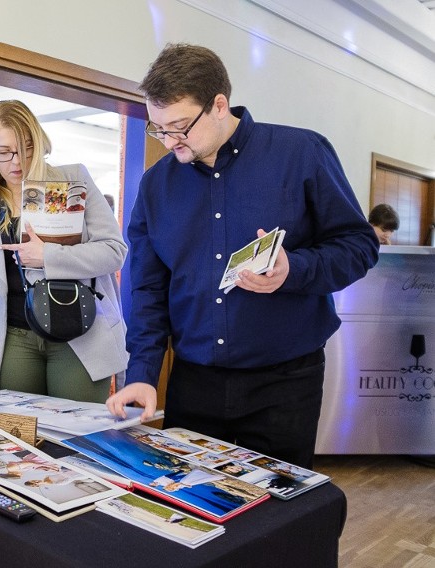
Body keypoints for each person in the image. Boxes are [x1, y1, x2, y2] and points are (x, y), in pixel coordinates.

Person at [106, 43, 379, 468]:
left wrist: (295, 268)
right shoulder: (156, 185)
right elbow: (146, 290)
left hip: (285, 382)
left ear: (219, 105)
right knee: (191, 510)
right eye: (157, 128)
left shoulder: (301, 153)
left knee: (278, 516)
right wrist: (142, 372)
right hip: (193, 383)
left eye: (179, 126)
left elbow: (359, 246)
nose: (169, 140)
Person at [0, 100, 128, 402]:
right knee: (18, 434)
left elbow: (114, 251)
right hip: (15, 337)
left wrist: (48, 257)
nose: (18, 162)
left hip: (78, 332)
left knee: (76, 436)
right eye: (5, 152)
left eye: (27, 148)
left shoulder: (72, 181)